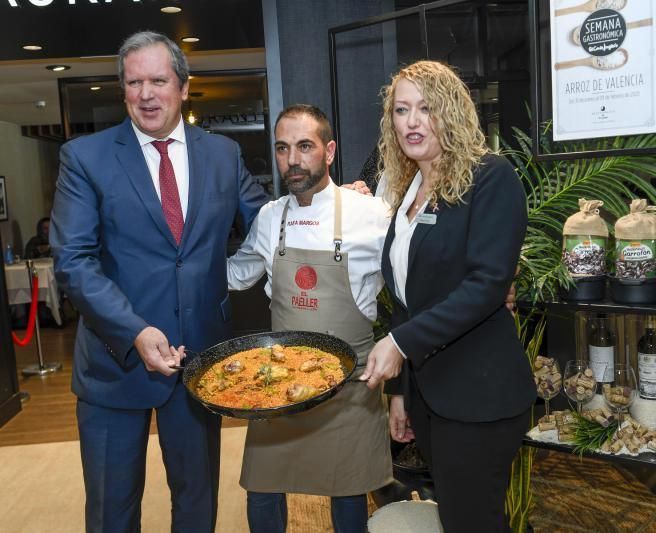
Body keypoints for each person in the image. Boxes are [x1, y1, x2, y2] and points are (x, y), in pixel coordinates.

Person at [50, 31, 267, 533]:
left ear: (184, 87)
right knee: (112, 511)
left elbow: (269, 224)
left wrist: (329, 202)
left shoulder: (223, 155)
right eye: (134, 82)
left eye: (158, 80)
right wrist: (134, 331)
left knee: (196, 507)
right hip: (114, 362)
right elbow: (74, 260)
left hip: (197, 364)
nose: (146, 93)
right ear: (122, 89)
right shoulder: (85, 157)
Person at [360, 60, 535, 532]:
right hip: (430, 397)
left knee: (471, 521)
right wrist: (401, 393)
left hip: (481, 397)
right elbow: (405, 301)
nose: (412, 121)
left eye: (426, 108)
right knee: (462, 519)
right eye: (401, 110)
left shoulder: (491, 178)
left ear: (452, 112)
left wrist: (398, 347)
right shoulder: (409, 190)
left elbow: (487, 286)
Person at [226, 104, 393, 533]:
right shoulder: (269, 217)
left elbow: (416, 272)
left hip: (350, 386)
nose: (293, 160)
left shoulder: (370, 214)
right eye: (283, 149)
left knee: (348, 494)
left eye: (305, 146)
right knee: (262, 487)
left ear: (330, 151)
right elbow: (236, 274)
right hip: (278, 386)